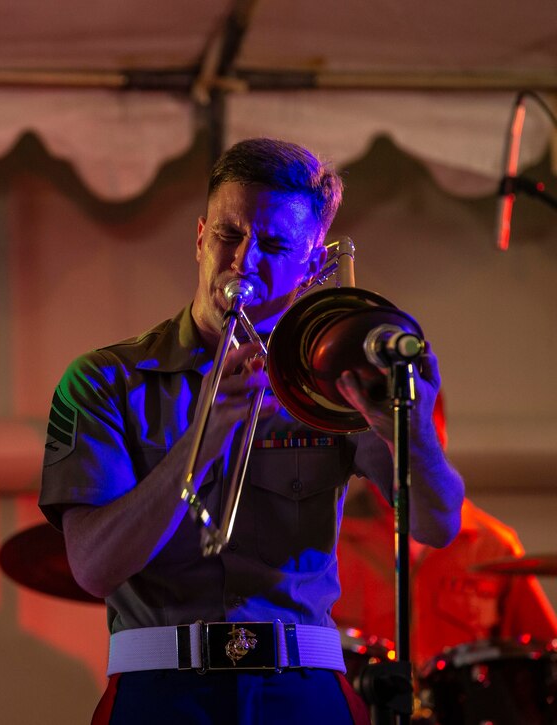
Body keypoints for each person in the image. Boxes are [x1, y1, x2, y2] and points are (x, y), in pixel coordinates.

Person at [38, 138, 465, 724]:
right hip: (160, 691)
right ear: (198, 238)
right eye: (227, 234)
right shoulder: (103, 379)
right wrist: (203, 439)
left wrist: (410, 433)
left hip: (303, 688)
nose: (242, 261)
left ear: (314, 266)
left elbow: (439, 525)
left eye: (273, 244)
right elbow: (93, 567)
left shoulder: (333, 379)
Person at [336, 396, 557, 666]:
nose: (400, 458)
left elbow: (543, 652)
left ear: (440, 438)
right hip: (363, 706)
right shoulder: (331, 539)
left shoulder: (492, 544)